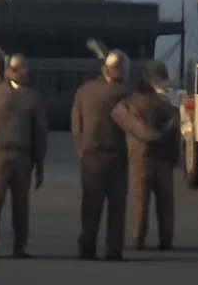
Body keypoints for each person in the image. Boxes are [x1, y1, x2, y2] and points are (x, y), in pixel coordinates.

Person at [0, 53, 48, 259]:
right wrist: (39, 160)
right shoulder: (32, 98)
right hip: (12, 155)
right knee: (11, 202)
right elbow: (40, 132)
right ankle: (10, 246)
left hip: (0, 154)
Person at [70, 49, 133, 261]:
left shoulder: (84, 91)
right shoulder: (126, 93)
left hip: (91, 156)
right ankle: (113, 250)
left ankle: (87, 249)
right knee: (117, 207)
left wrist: (81, 149)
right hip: (117, 156)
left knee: (90, 205)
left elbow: (76, 124)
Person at [111, 61, 180, 251]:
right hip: (164, 159)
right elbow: (176, 133)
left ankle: (138, 237)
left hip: (140, 158)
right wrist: (175, 157)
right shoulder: (168, 106)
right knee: (165, 202)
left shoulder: (131, 103)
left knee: (140, 200)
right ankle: (166, 239)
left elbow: (117, 116)